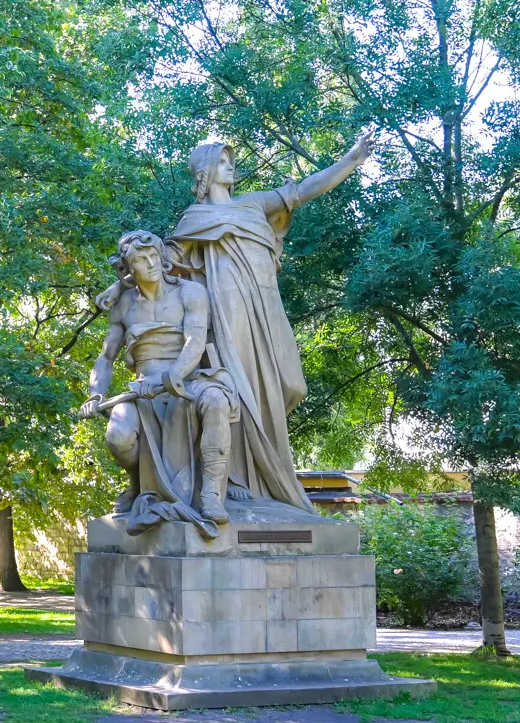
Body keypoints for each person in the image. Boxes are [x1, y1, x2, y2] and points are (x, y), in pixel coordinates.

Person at [96, 135, 376, 514]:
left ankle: (262, 477)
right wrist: (119, 285)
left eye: (232, 160)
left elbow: (306, 188)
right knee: (238, 392)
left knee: (287, 384)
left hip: (265, 307)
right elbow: (154, 265)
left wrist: (351, 160)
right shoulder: (193, 220)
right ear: (207, 172)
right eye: (224, 162)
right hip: (226, 317)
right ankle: (236, 481)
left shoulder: (254, 203)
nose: (232, 167)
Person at [80, 231, 237, 538]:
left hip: (189, 380)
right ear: (128, 266)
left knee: (217, 401)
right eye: (141, 259)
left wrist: (168, 379)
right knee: (118, 436)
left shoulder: (190, 293)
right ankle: (139, 485)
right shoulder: (123, 305)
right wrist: (95, 392)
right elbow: (106, 357)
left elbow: (194, 342)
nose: (151, 263)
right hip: (142, 390)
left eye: (154, 256)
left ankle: (211, 495)